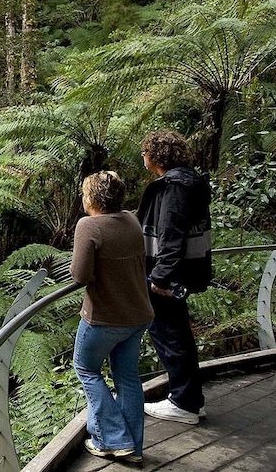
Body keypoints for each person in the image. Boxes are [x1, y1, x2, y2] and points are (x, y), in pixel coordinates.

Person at [72, 171, 153, 464]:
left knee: (85, 369)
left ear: (93, 198)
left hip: (104, 318)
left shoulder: (89, 226)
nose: (82, 199)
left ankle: (114, 440)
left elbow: (80, 275)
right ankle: (133, 447)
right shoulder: (131, 219)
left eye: (84, 194)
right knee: (128, 378)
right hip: (138, 313)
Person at [138, 130, 212, 425]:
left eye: (144, 152)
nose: (143, 157)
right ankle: (191, 400)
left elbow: (171, 235)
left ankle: (183, 402)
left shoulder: (174, 187)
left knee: (169, 335)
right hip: (184, 271)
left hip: (169, 276)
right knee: (178, 332)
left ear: (156, 156)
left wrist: (161, 277)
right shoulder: (189, 182)